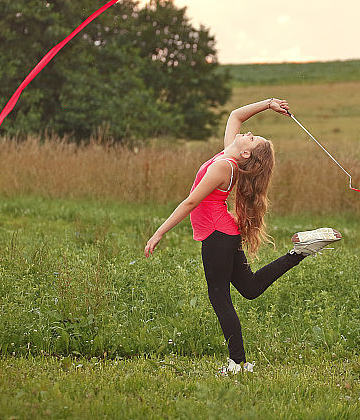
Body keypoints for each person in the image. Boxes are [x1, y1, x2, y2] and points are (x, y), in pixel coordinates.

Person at [144, 98, 342, 374]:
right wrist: (269, 104)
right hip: (223, 231)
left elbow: (191, 202)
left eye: (251, 138)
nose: (247, 133)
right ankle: (300, 252)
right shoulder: (229, 155)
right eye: (250, 134)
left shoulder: (224, 166)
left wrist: (158, 233)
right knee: (249, 288)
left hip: (218, 234)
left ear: (246, 153)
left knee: (219, 296)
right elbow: (236, 115)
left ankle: (237, 363)